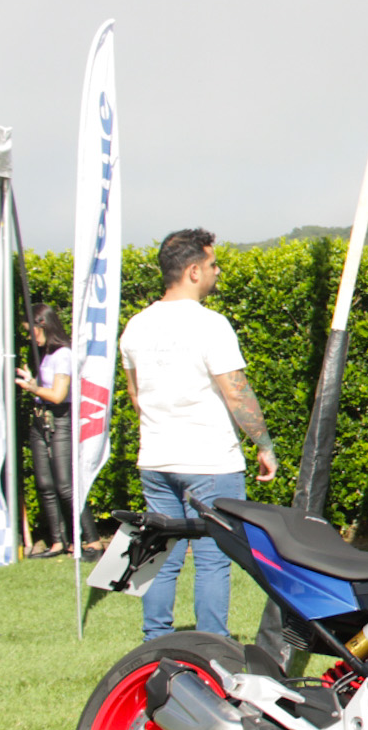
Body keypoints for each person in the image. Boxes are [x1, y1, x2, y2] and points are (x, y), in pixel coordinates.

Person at [119, 229, 278, 641]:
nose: (217, 271)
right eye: (212, 264)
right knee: (213, 557)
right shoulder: (211, 325)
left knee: (160, 555)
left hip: (156, 460)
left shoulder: (136, 326)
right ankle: (212, 644)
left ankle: (154, 643)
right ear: (193, 271)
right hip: (210, 461)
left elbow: (135, 395)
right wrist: (264, 445)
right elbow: (236, 391)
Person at [13, 302, 75, 557]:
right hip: (41, 419)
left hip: (59, 418)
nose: (30, 337)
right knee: (45, 484)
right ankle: (58, 542)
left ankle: (88, 541)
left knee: (64, 485)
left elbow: (58, 395)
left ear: (44, 325)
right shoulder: (45, 355)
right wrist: (33, 382)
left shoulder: (63, 354)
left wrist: (33, 388)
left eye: (32, 331)